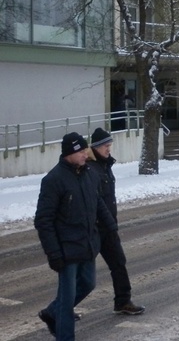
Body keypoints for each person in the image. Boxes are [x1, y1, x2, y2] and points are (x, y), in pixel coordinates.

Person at [35, 132, 118, 340]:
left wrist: (110, 225)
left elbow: (97, 202)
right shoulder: (54, 180)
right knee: (67, 297)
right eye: (80, 151)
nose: (85, 154)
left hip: (88, 243)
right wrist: (53, 253)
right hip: (65, 249)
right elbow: (43, 220)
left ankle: (53, 311)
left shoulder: (90, 173)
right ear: (68, 154)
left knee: (88, 283)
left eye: (84, 150)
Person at [88, 128, 145, 316]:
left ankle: (123, 301)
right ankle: (60, 308)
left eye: (109, 145)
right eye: (106, 146)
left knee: (119, 263)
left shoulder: (104, 165)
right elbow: (93, 202)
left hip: (108, 226)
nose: (108, 149)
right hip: (94, 229)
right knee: (82, 275)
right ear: (96, 147)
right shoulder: (91, 169)